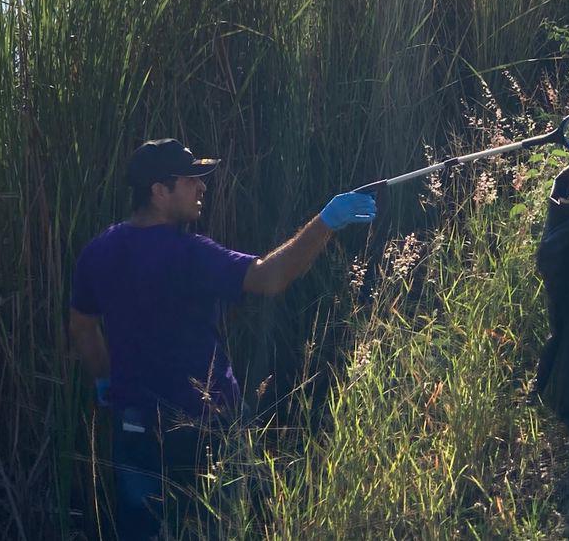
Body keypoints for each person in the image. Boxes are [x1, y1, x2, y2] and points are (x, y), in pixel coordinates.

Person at [69, 138, 377, 539]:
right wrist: (325, 223)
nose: (203, 188)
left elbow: (82, 328)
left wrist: (106, 381)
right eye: (190, 180)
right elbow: (270, 278)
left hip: (135, 428)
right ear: (159, 192)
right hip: (207, 427)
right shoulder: (190, 254)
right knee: (228, 526)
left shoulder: (98, 252)